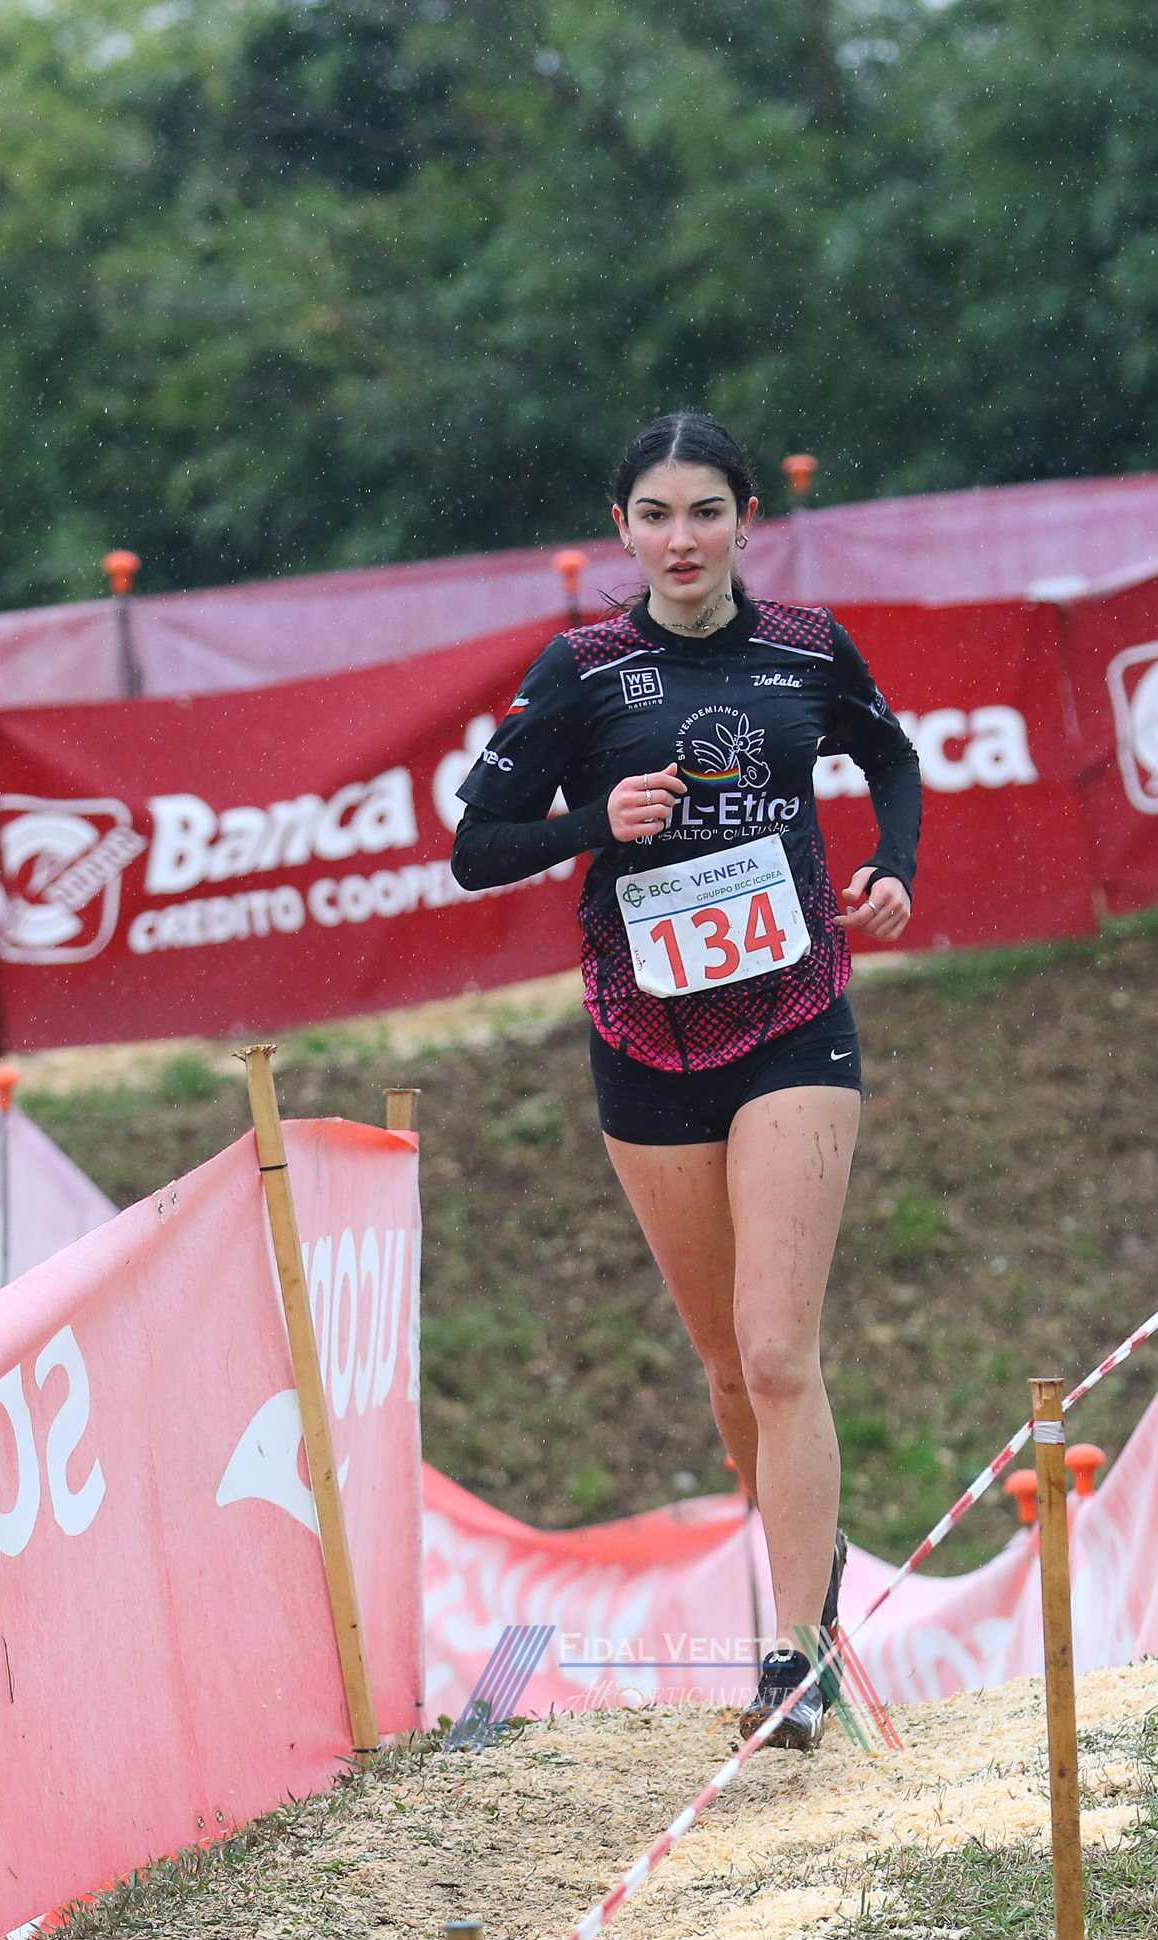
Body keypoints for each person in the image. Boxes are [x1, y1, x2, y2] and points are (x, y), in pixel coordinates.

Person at [451, 412, 922, 1750]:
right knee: (726, 1367)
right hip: (645, 1037)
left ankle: (796, 1653)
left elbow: (889, 753)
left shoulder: (809, 647)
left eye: (705, 511)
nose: (680, 540)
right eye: (654, 515)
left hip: (795, 1019)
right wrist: (595, 823)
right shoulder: (584, 669)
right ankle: (806, 1573)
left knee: (777, 1347)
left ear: (746, 521)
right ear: (622, 530)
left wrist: (893, 866)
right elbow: (476, 847)